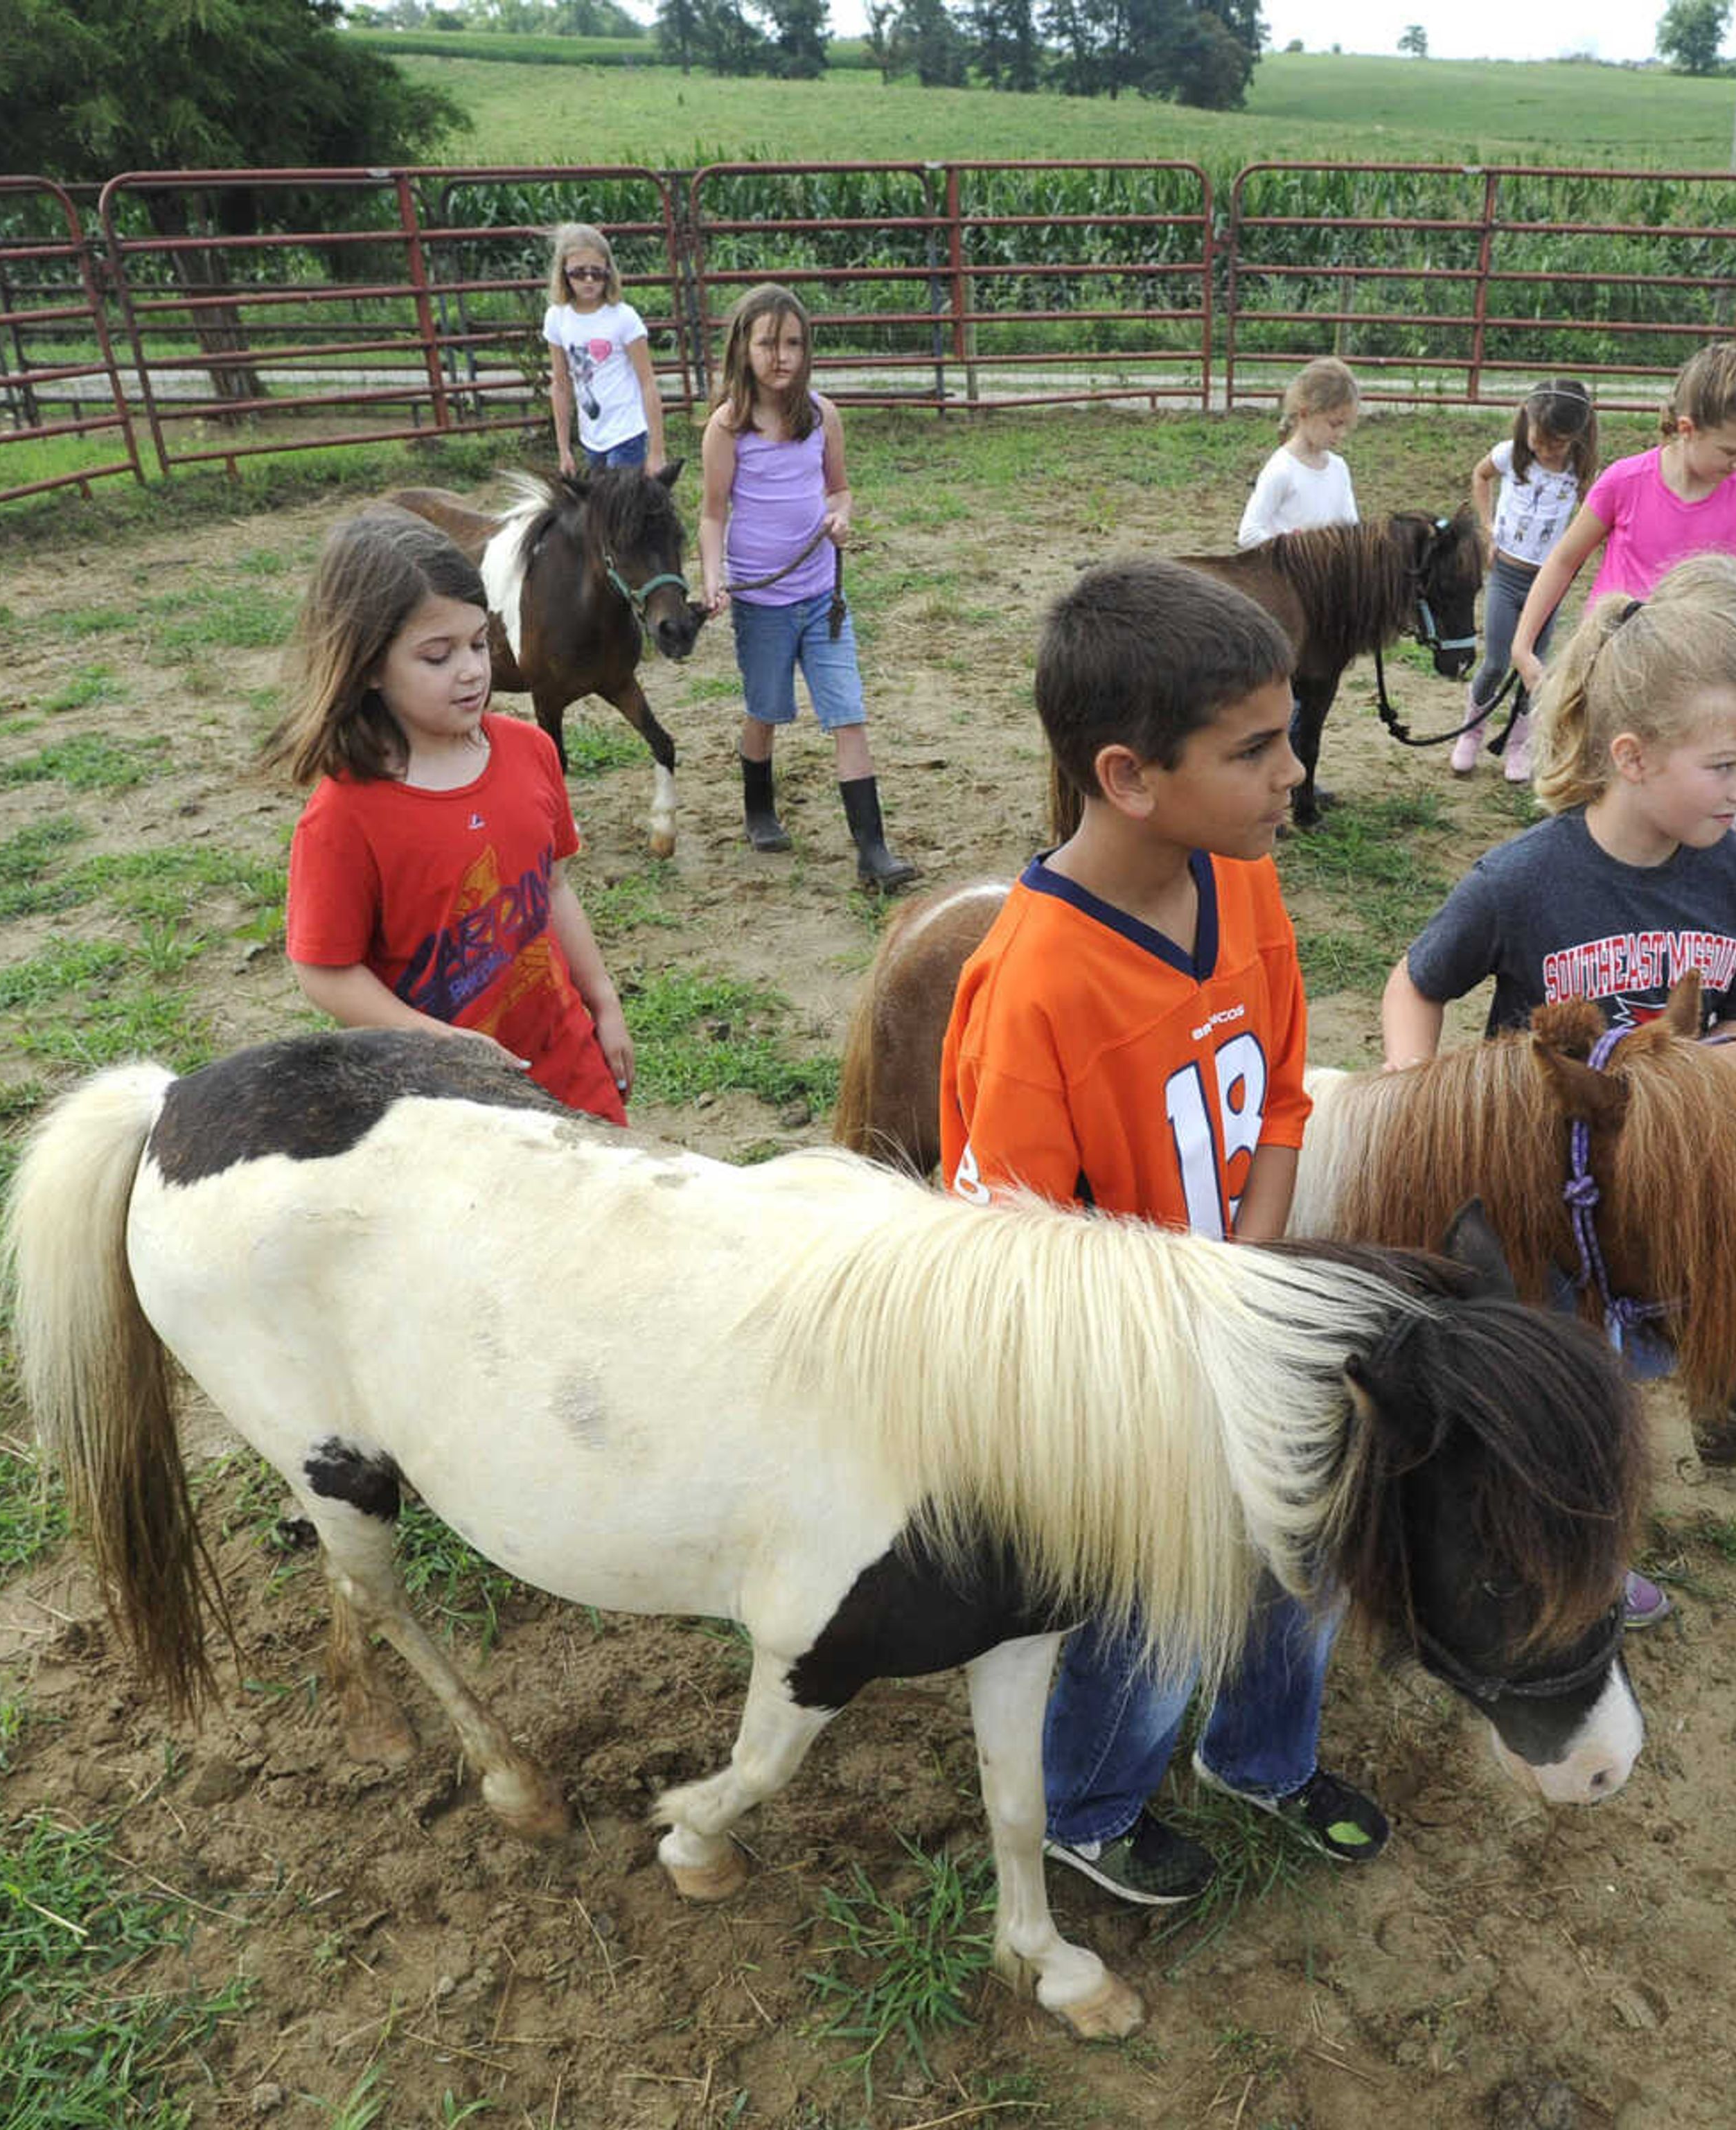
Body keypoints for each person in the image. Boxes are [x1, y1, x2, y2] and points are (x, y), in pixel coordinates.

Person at [940, 557, 1389, 1906]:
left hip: (1233, 1299)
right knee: (1162, 1595)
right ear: (1131, 775)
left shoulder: (1241, 877)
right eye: (1255, 748)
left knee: (1306, 1537)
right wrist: (1184, 1330)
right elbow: (1010, 1254)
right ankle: (1090, 1801)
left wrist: (1239, 1274)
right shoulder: (1030, 988)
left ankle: (1258, 1754)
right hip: (1124, 1368)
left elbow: (1288, 1098)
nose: (1294, 769)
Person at [1382, 554, 1736, 1628]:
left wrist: (1687, 1087)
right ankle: (1544, 1544)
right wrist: (1417, 1097)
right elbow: (1415, 984)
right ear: (1631, 754)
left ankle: (1606, 1518)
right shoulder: (1525, 878)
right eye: (1724, 764)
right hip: (1537, 1193)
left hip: (1654, 1183)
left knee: (1630, 1361)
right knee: (1546, 1373)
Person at [272, 508, 632, 1125]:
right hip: (444, 1103)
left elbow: (552, 887)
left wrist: (602, 1000)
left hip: (566, 1060)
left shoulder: (530, 751)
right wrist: (441, 1044)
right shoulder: (343, 816)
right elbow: (324, 972)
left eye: (477, 643)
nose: (471, 670)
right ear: (367, 667)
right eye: (437, 656)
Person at [1506, 342, 1736, 752]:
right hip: (1619, 673)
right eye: (1731, 450)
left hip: (1703, 685)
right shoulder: (1624, 481)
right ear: (1687, 429)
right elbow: (1563, 560)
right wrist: (1523, 645)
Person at [698, 282, 919, 892]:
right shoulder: (726, 427)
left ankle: (873, 851)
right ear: (743, 347)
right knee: (765, 709)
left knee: (848, 715)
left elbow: (839, 488)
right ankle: (759, 809)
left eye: (793, 343)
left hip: (823, 596)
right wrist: (715, 579)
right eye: (768, 343)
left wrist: (840, 516)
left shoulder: (822, 415)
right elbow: (713, 513)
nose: (781, 356)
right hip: (761, 601)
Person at [1457, 377, 1600, 784]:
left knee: (1531, 668)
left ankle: (1519, 744)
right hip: (1506, 575)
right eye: (1540, 438)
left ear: (1576, 436)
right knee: (1497, 662)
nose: (1546, 448)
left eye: (1557, 443)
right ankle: (1471, 731)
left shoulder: (1579, 471)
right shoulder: (1511, 456)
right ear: (1527, 420)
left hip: (1547, 586)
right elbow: (1480, 477)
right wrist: (1487, 529)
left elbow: (1595, 513)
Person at [541, 223, 666, 477]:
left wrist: (656, 450)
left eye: (596, 273)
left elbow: (647, 383)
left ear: (609, 272)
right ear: (564, 272)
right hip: (592, 437)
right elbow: (561, 385)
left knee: (618, 508)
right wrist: (563, 449)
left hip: (626, 432)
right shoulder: (557, 318)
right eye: (579, 273)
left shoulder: (623, 318)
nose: (589, 280)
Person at [1237, 356, 1361, 548]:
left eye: (1345, 426)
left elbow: (1352, 531)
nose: (1341, 434)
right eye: (1334, 424)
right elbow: (1249, 534)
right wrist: (1300, 552)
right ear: (1305, 414)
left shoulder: (1339, 468)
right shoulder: (1282, 470)